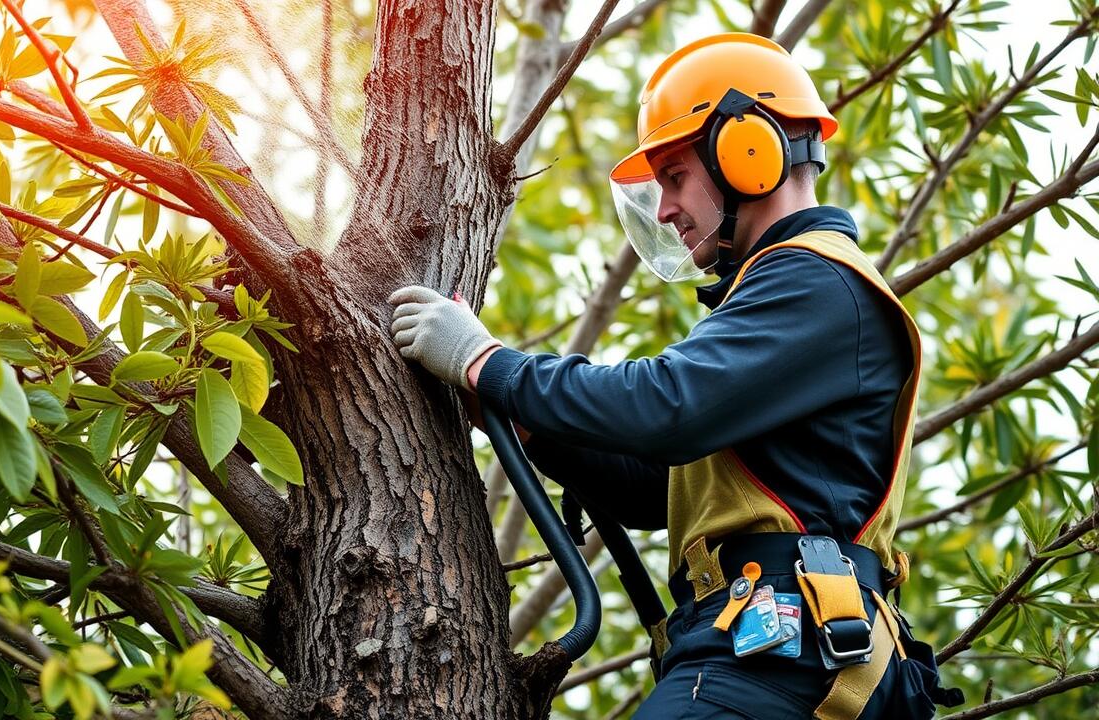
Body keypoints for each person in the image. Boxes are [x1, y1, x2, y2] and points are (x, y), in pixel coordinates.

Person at [388, 32, 962, 719]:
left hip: (776, 659)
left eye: (675, 177)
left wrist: (489, 363)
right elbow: (658, 488)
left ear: (746, 152)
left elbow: (665, 408)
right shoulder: (783, 297)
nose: (663, 210)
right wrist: (520, 418)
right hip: (758, 650)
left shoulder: (815, 280)